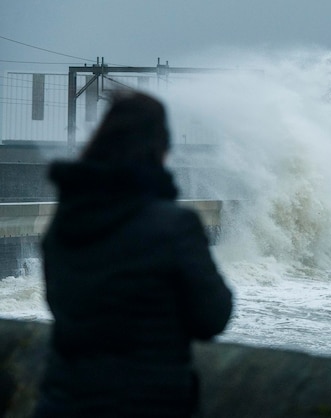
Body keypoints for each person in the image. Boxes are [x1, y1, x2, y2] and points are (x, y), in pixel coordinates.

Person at [33, 91, 233, 417]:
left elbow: (61, 305)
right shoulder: (174, 225)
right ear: (161, 149)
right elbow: (213, 316)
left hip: (63, 401)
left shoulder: (65, 223)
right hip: (146, 403)